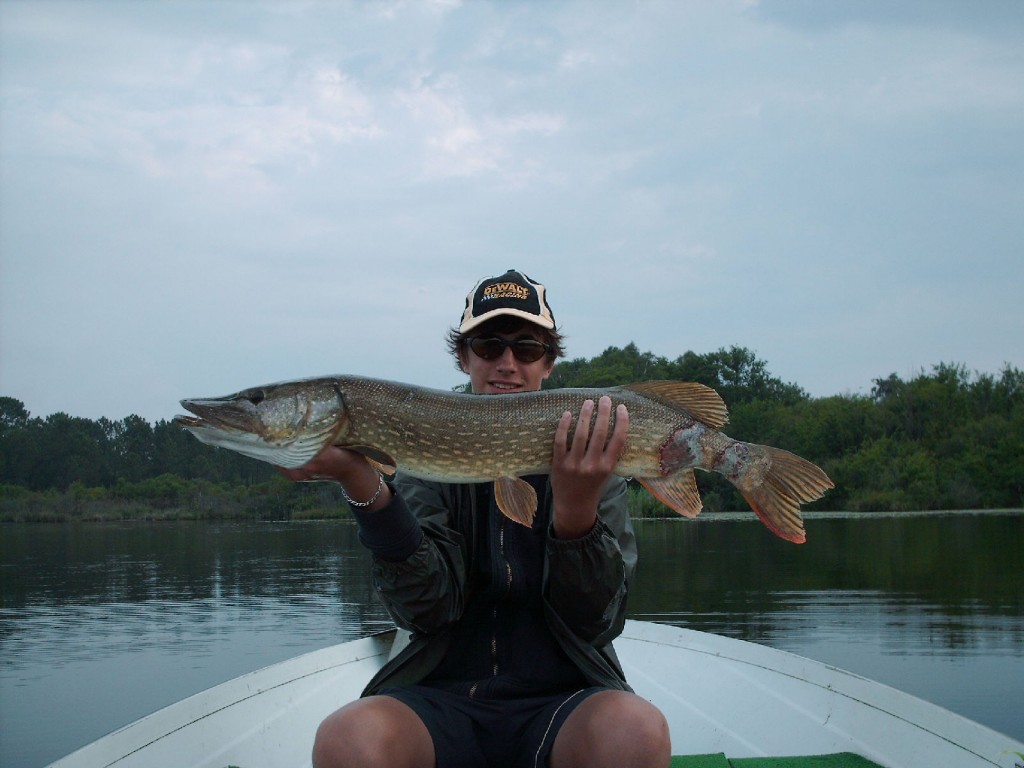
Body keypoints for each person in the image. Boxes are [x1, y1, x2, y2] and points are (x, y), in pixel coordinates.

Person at [281, 269, 671, 768]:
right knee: (347, 739)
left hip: (565, 699)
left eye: (526, 348)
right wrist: (362, 485)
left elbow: (597, 623)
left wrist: (576, 510)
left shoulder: (595, 459)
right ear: (464, 357)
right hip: (440, 699)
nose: (506, 363)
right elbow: (427, 611)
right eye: (488, 346)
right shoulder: (424, 457)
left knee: (636, 732)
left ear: (548, 363)